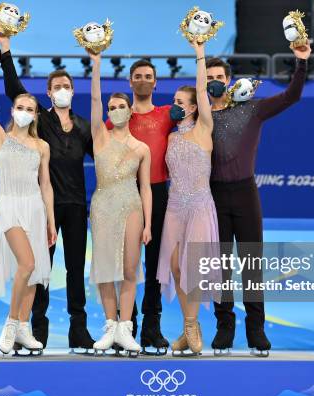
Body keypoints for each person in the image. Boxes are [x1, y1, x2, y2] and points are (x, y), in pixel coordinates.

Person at [205, 40, 312, 356]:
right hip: (213, 197)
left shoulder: (251, 109)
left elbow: (291, 96)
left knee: (251, 264)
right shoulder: (198, 118)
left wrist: (301, 61)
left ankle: (256, 331)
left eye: (219, 77)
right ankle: (224, 328)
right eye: (208, 76)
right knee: (219, 267)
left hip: (245, 193)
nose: (214, 81)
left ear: (228, 80)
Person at [0, 33, 95, 352]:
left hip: (76, 205)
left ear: (72, 91)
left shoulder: (84, 127)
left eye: (67, 86)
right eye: (57, 87)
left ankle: (79, 331)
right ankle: (34, 329)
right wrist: (6, 49)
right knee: (39, 269)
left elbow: (104, 158)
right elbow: (14, 90)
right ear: (48, 93)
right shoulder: (41, 122)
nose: (63, 91)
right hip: (42, 207)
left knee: (76, 269)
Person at [0, 42, 57, 356]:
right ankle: (9, 323)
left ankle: (23, 326)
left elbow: (46, 186)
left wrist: (51, 222)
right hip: (9, 206)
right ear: (12, 111)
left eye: (30, 109)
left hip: (34, 207)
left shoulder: (42, 146)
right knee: (27, 263)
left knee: (33, 271)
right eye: (20, 107)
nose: (25, 112)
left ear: (35, 115)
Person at [106, 59, 175, 355]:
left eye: (149, 76)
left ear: (156, 83)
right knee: (126, 264)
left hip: (158, 194)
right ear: (130, 82)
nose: (144, 80)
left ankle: (152, 326)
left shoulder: (168, 116)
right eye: (138, 76)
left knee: (156, 263)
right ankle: (125, 325)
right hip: (125, 194)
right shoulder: (118, 119)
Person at [156, 39, 221, 356]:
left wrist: (199, 54)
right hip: (174, 208)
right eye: (174, 99)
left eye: (182, 100)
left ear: (195, 106)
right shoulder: (169, 136)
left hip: (198, 207)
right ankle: (187, 326)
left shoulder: (203, 129)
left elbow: (201, 87)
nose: (176, 104)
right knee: (176, 268)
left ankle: (192, 327)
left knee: (193, 268)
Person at [87, 48, 152, 357]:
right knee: (104, 267)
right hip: (102, 205)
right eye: (111, 107)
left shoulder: (141, 148)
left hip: (132, 205)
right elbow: (94, 100)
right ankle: (109, 325)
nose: (114, 110)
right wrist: (96, 64)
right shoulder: (99, 136)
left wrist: (149, 223)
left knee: (129, 267)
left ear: (129, 110)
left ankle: (126, 327)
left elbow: (146, 187)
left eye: (120, 106)